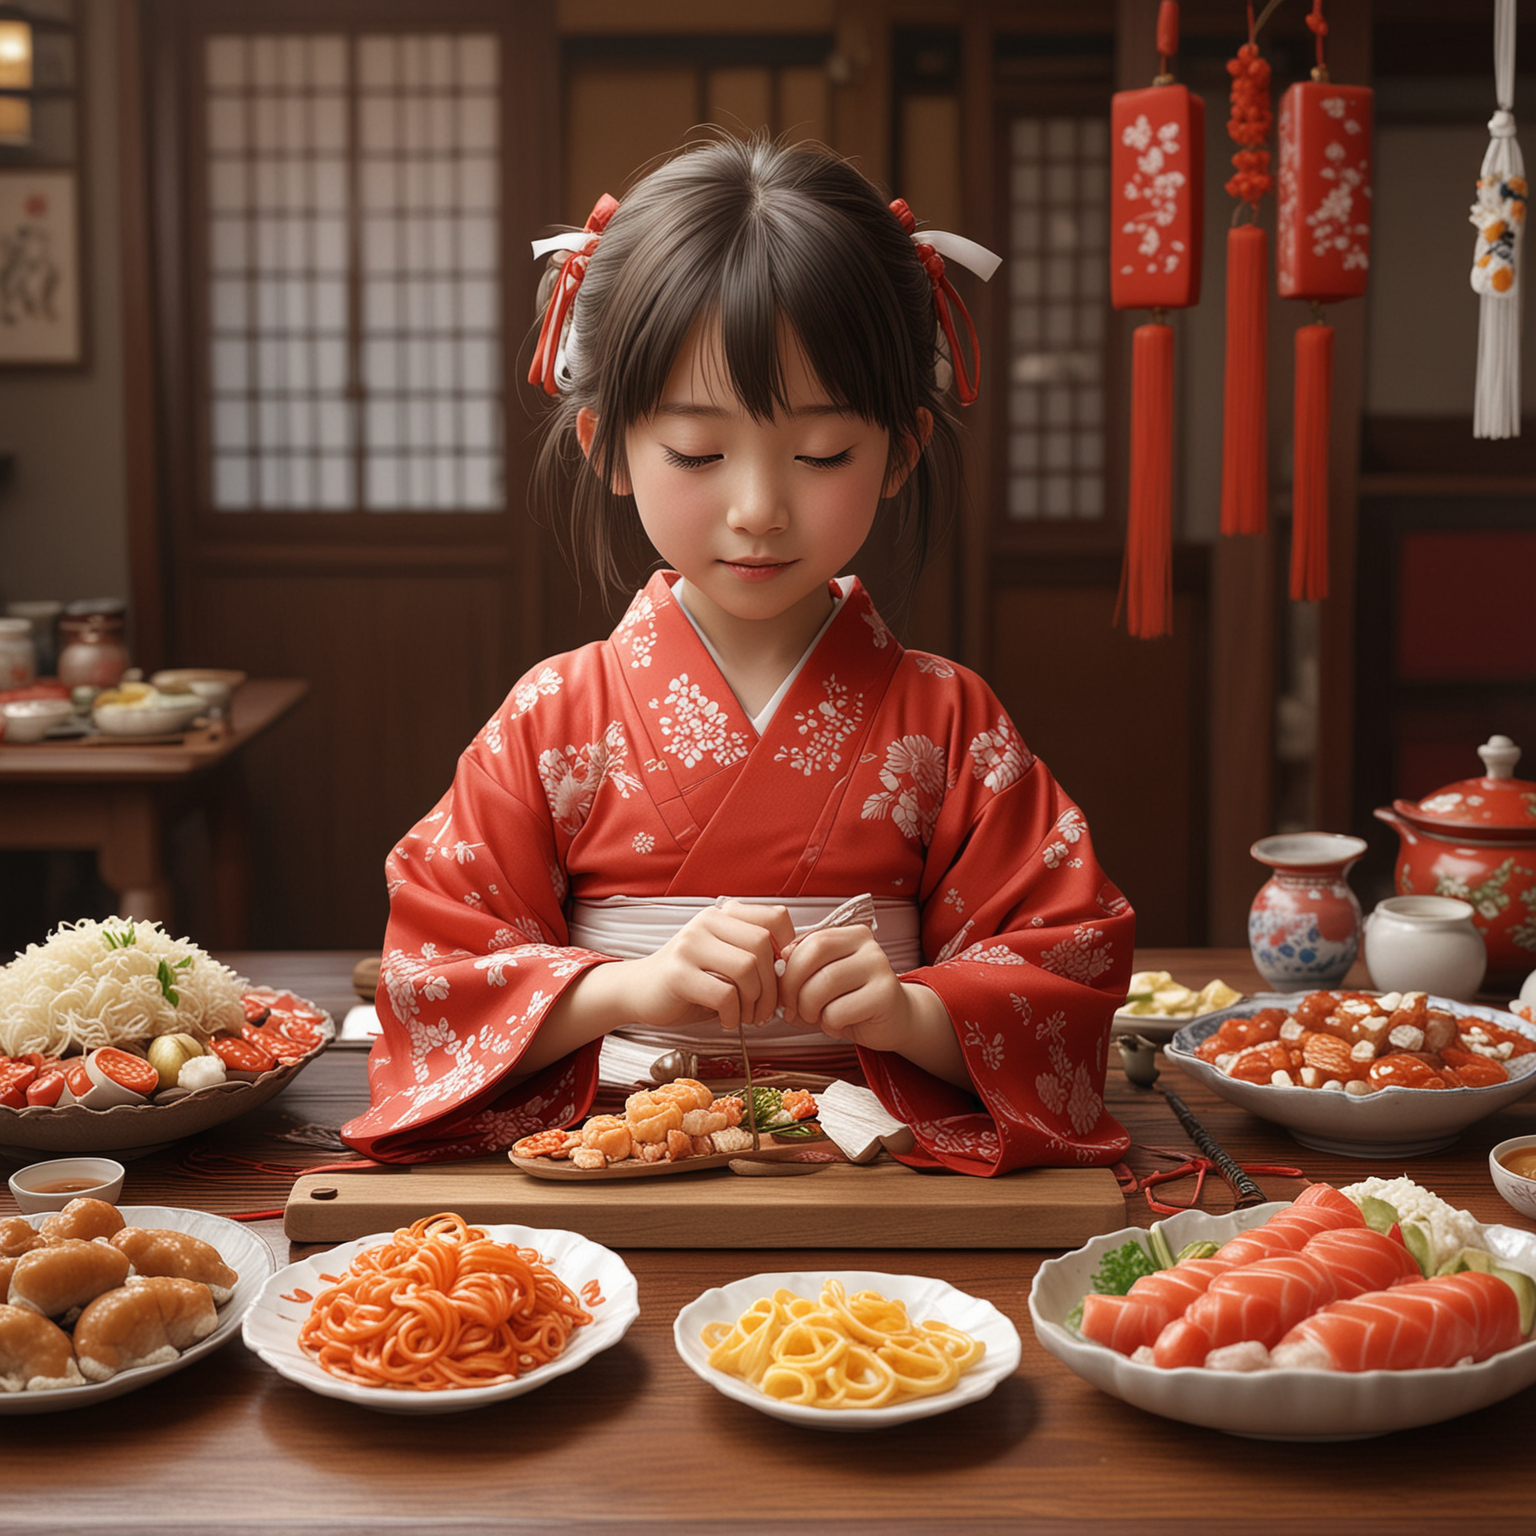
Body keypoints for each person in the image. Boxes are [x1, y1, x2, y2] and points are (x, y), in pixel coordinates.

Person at [342, 135, 1134, 1174]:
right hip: (615, 1180)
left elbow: (1065, 972)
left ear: (900, 452)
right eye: (698, 453)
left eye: (820, 454)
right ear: (607, 446)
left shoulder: (950, 718)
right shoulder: (552, 716)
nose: (759, 509)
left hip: (876, 1185)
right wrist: (627, 991)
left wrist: (906, 1015)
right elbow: (432, 974)